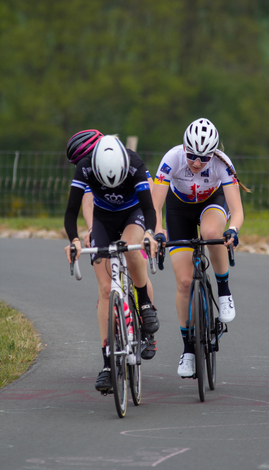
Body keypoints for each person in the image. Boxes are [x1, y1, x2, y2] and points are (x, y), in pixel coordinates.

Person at [152, 118, 250, 378]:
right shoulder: (172, 158)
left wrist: (233, 230)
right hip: (178, 208)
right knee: (184, 282)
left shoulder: (222, 163)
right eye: (192, 155)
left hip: (211, 202)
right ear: (184, 148)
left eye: (204, 158)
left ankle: (224, 291)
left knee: (210, 233)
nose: (196, 162)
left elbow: (237, 211)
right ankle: (187, 350)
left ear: (213, 154)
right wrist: (158, 230)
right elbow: (155, 207)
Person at [64, 134, 159, 392]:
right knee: (106, 290)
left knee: (129, 249)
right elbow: (71, 211)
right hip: (103, 219)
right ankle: (107, 364)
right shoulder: (85, 165)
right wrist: (74, 240)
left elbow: (150, 209)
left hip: (133, 213)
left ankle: (145, 303)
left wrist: (150, 233)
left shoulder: (134, 162)